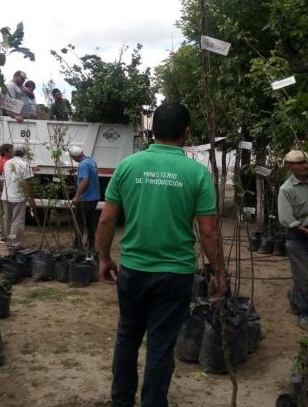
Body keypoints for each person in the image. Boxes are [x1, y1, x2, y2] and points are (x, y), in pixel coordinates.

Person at [97, 102, 227, 407]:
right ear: (187, 133)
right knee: (160, 343)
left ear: (151, 131)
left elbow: (106, 219)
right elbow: (208, 232)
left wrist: (103, 258)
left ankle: (121, 401)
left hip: (133, 269)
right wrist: (218, 272)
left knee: (128, 338)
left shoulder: (128, 166)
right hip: (176, 274)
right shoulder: (197, 173)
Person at [277, 149, 308, 329]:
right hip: (297, 235)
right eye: (300, 163)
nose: (305, 166)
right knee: (304, 277)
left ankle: (295, 296)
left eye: (306, 162)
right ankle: (304, 313)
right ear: (289, 167)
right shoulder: (286, 189)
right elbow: (287, 220)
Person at [0, 148, 37, 249]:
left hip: (6, 195)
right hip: (18, 197)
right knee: (17, 221)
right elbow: (26, 183)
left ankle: (8, 239)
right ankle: (15, 242)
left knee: (7, 219)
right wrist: (30, 198)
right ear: (23, 154)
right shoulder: (24, 165)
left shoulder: (7, 163)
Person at [69, 145, 100, 253]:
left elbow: (85, 181)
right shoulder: (91, 161)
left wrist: (77, 196)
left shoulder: (83, 164)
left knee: (79, 222)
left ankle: (77, 246)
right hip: (94, 197)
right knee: (90, 222)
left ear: (75, 157)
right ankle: (91, 245)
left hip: (85, 198)